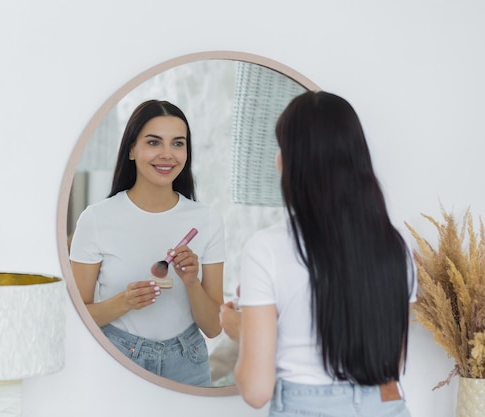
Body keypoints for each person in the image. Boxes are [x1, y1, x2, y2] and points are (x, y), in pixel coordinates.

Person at [219, 91, 415, 416]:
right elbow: (389, 365)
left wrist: (246, 333)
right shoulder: (395, 245)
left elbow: (255, 391)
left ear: (290, 160)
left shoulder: (266, 248)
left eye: (280, 147)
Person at [69, 99, 225, 386]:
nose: (167, 155)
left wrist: (191, 282)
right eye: (154, 143)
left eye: (178, 144)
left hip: (188, 364)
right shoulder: (96, 219)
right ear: (131, 149)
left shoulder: (207, 220)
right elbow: (75, 317)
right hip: (116, 359)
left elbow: (214, 327)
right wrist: (124, 302)